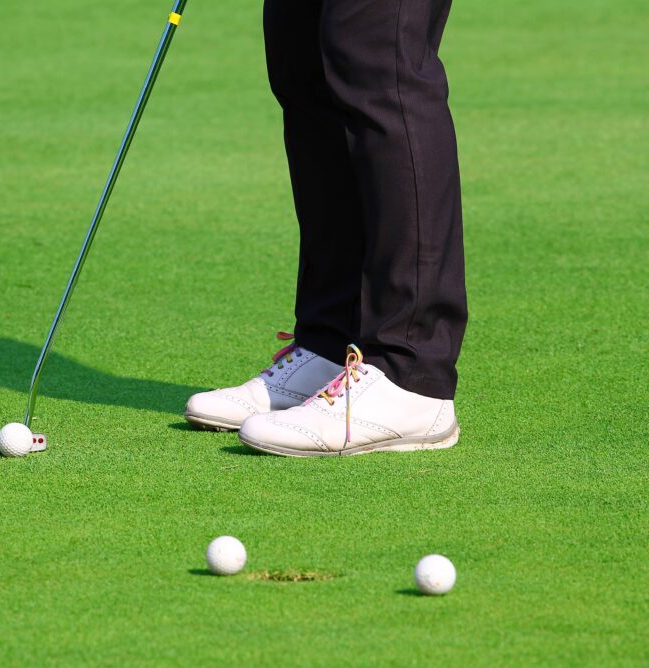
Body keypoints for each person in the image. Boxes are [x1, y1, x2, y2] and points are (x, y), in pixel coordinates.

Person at [185, 0, 468, 457]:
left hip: (411, 374)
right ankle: (333, 345)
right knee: (301, 55)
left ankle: (410, 373)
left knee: (376, 51)